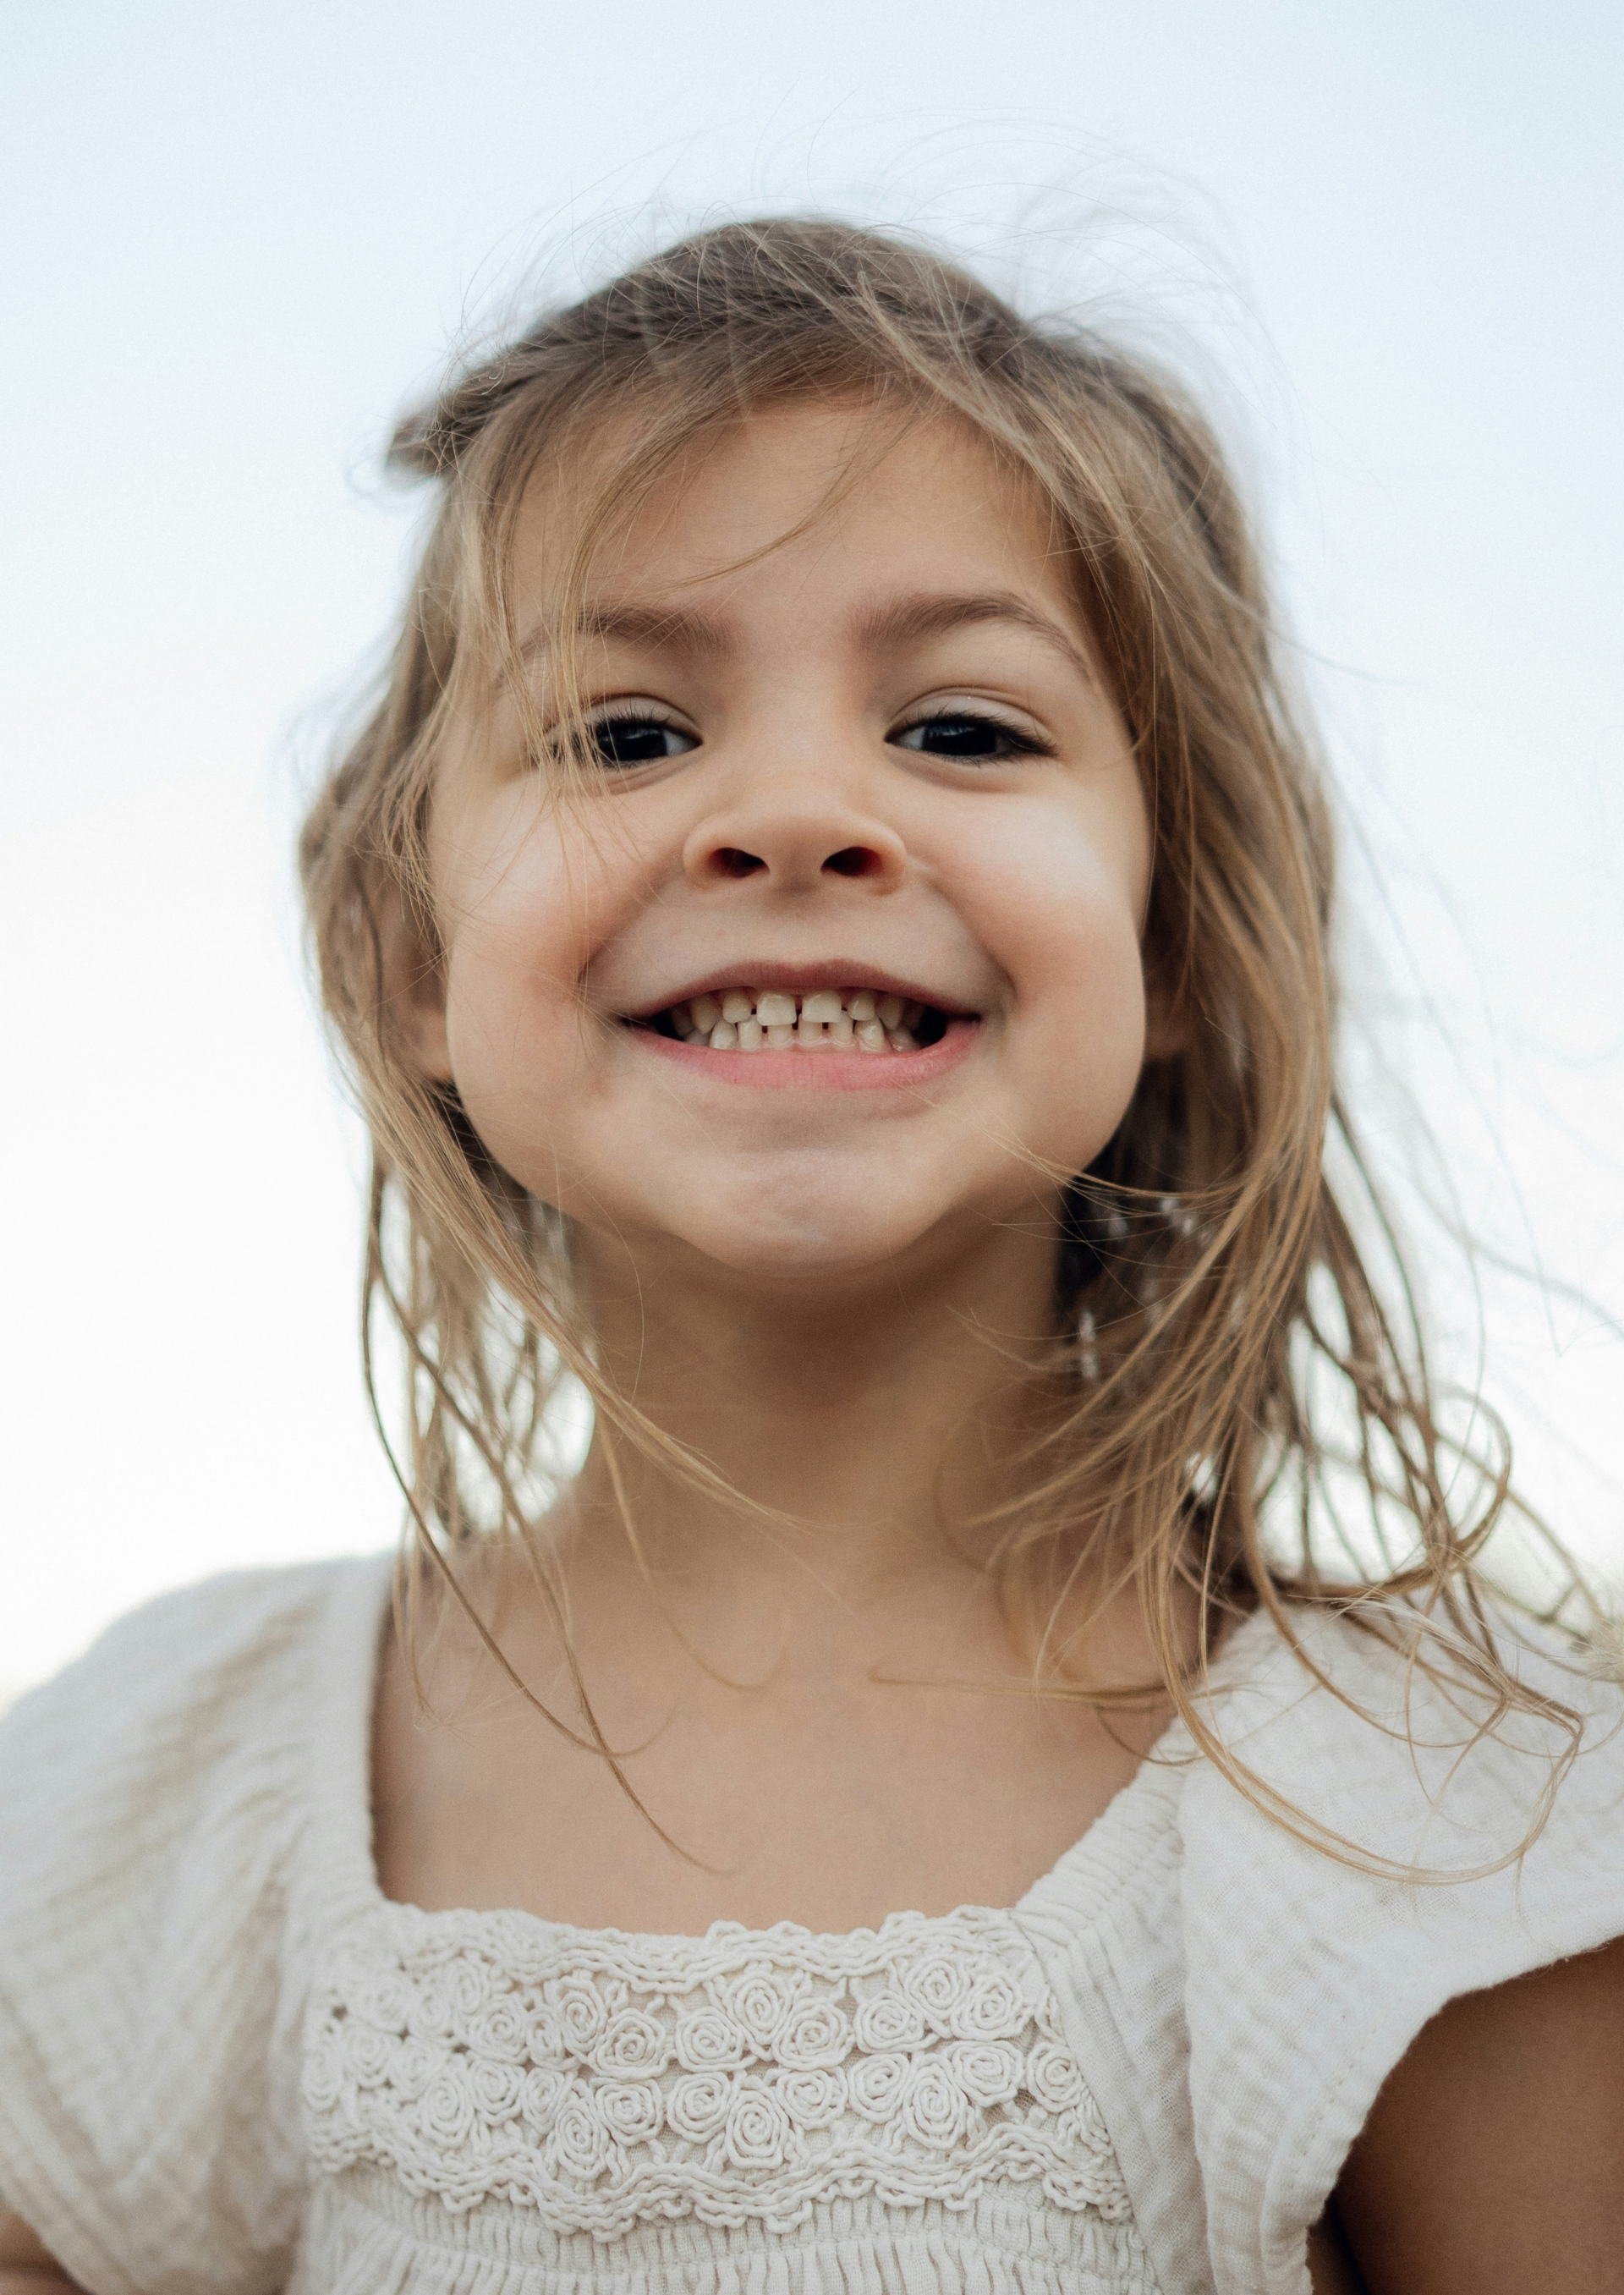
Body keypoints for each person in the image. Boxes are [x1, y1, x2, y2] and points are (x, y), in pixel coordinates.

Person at [2, 219, 1621, 2295]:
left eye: (960, 729)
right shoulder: (180, 1800)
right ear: (408, 959)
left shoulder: (1430, 1833)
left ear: (1181, 945)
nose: (789, 816)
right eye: (626, 734)